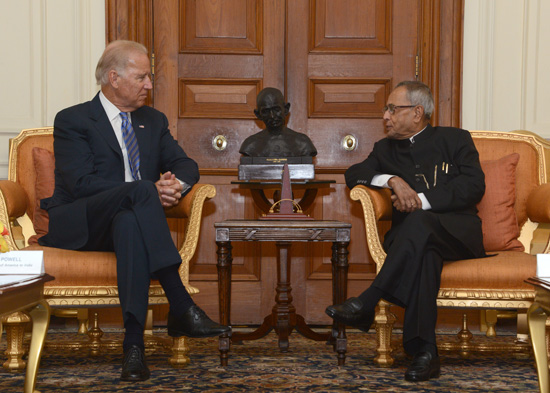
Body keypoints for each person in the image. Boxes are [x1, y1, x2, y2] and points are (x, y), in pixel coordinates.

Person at [39, 40, 230, 382]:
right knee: (141, 190)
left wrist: (176, 187)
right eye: (142, 77)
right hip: (81, 222)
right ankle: (181, 305)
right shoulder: (74, 120)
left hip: (131, 224)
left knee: (129, 221)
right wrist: (146, 190)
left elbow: (186, 164)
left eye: (149, 77)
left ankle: (133, 348)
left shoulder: (152, 121)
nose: (149, 85)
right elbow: (82, 183)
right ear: (113, 77)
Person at [325, 81, 486, 382]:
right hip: (414, 242)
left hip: (457, 233)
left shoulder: (455, 139)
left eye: (391, 109)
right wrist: (392, 180)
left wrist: (421, 201)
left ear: (417, 112)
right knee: (425, 254)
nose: (385, 116)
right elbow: (353, 174)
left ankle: (369, 300)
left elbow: (474, 186)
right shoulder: (384, 149)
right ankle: (424, 351)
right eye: (385, 109)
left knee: (420, 221)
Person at [239, 87, 317, 157]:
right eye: (266, 111)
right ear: (258, 114)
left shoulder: (303, 143)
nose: (272, 116)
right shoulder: (251, 145)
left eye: (276, 110)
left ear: (286, 109)